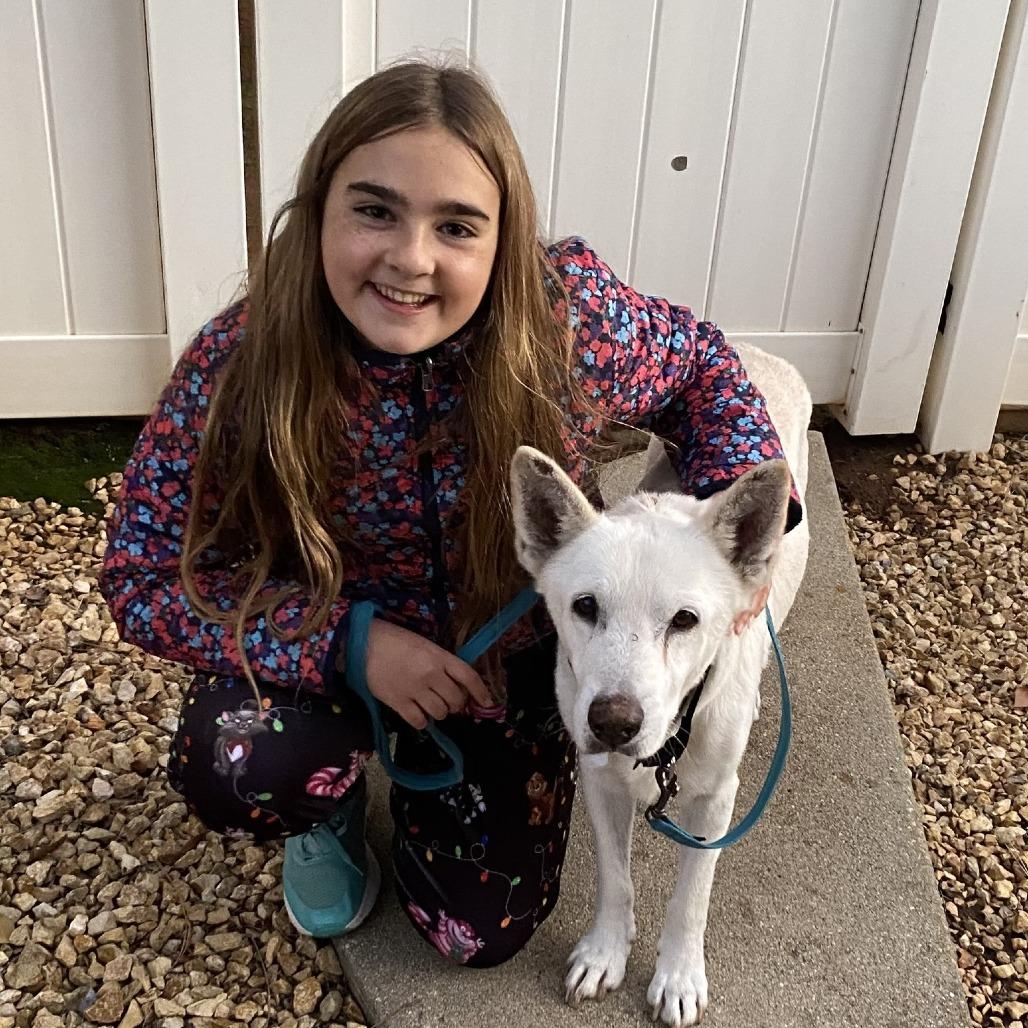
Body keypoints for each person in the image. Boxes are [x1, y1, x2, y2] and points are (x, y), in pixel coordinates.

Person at [99, 59, 801, 968]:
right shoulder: (240, 366)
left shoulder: (567, 323)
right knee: (237, 764)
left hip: (507, 666)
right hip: (333, 656)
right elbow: (144, 575)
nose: (412, 258)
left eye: (457, 226)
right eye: (375, 209)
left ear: (503, 241)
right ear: (317, 209)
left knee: (478, 934)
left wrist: (738, 548)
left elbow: (705, 365)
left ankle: (445, 783)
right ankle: (332, 800)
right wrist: (349, 648)